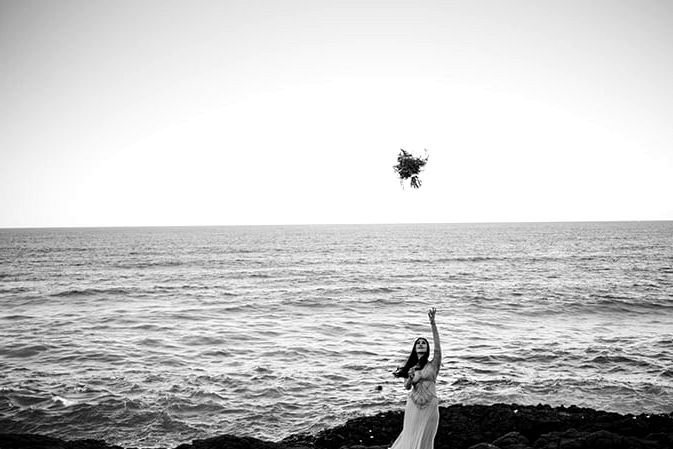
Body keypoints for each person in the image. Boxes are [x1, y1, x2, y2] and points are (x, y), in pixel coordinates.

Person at [390, 308, 441, 449]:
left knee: (426, 439)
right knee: (410, 437)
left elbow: (438, 346)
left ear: (427, 348)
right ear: (415, 348)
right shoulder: (411, 367)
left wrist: (433, 323)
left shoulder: (434, 364)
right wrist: (410, 377)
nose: (420, 344)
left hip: (431, 405)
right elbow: (406, 386)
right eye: (418, 343)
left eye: (423, 343)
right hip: (413, 405)